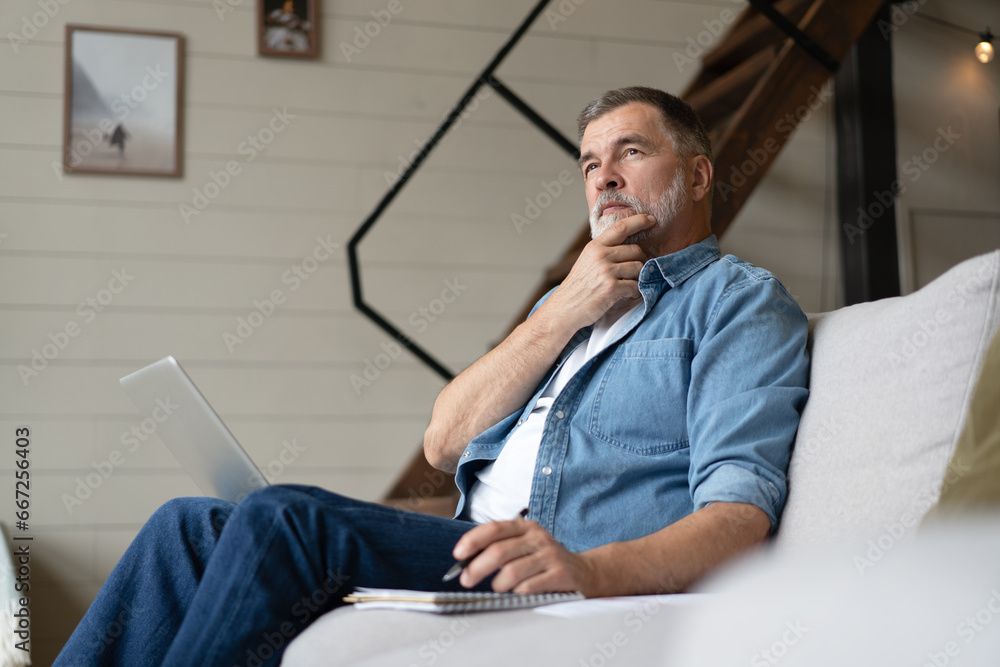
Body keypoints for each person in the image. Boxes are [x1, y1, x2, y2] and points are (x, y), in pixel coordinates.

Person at [54, 86, 809, 666]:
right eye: (588, 163)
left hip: (551, 564)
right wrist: (559, 315)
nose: (603, 176)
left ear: (700, 174)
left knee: (286, 518)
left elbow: (738, 517)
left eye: (630, 153)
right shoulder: (569, 301)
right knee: (185, 526)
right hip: (468, 547)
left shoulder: (736, 302)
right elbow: (445, 441)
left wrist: (586, 568)